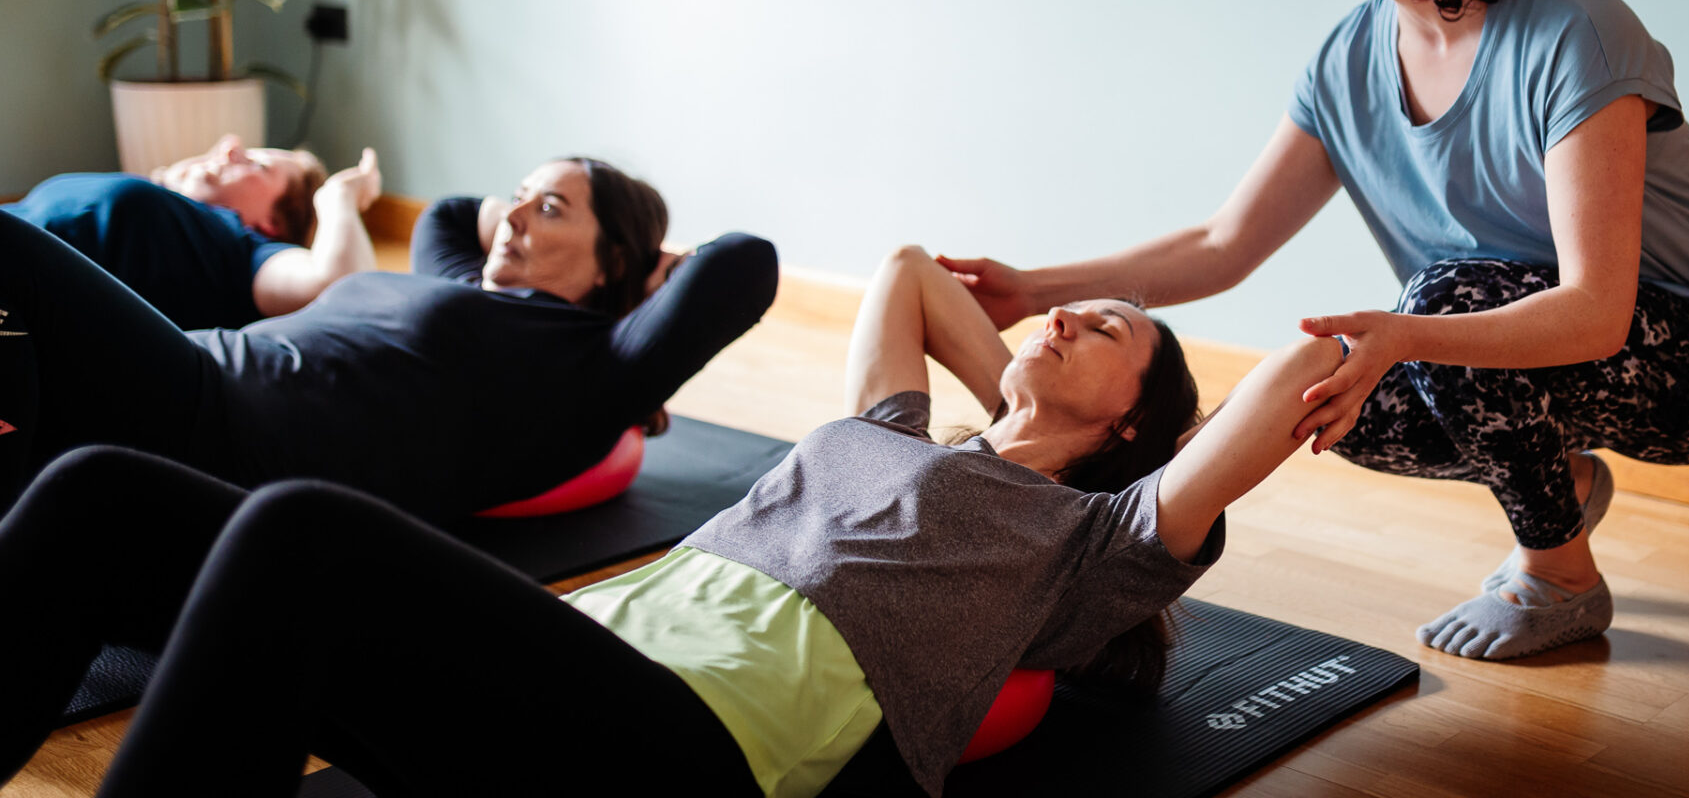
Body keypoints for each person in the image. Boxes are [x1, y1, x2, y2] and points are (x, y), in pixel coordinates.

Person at [940, 0, 1689, 662]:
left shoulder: (1572, 35)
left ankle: (1559, 575)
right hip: (1564, 341)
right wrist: (1024, 287)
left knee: (1434, 308)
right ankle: (1559, 477)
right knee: (1328, 397)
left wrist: (1403, 334)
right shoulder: (1348, 59)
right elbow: (1223, 243)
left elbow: (1596, 313)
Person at [0, 243, 1343, 797]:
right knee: (93, 490)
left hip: (692, 746)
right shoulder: (887, 436)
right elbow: (911, 275)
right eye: (1065, 310)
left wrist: (1384, 337)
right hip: (573, 657)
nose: (1066, 315)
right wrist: (1024, 365)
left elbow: (1274, 399)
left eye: (1105, 329)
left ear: (1136, 427)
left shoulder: (1091, 547)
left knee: (297, 531)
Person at [0, 157, 777, 520]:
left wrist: (653, 276)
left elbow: (745, 262)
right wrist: (542, 203)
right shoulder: (452, 283)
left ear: (615, 263)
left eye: (551, 211)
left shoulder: (596, 364)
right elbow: (446, 210)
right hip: (191, 367)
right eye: (518, 196)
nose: (510, 216)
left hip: (224, 429)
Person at [2, 135, 379, 327]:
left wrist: (339, 196)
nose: (231, 146)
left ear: (270, 225)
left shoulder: (241, 249)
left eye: (259, 165)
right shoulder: (167, 203)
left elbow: (339, 283)